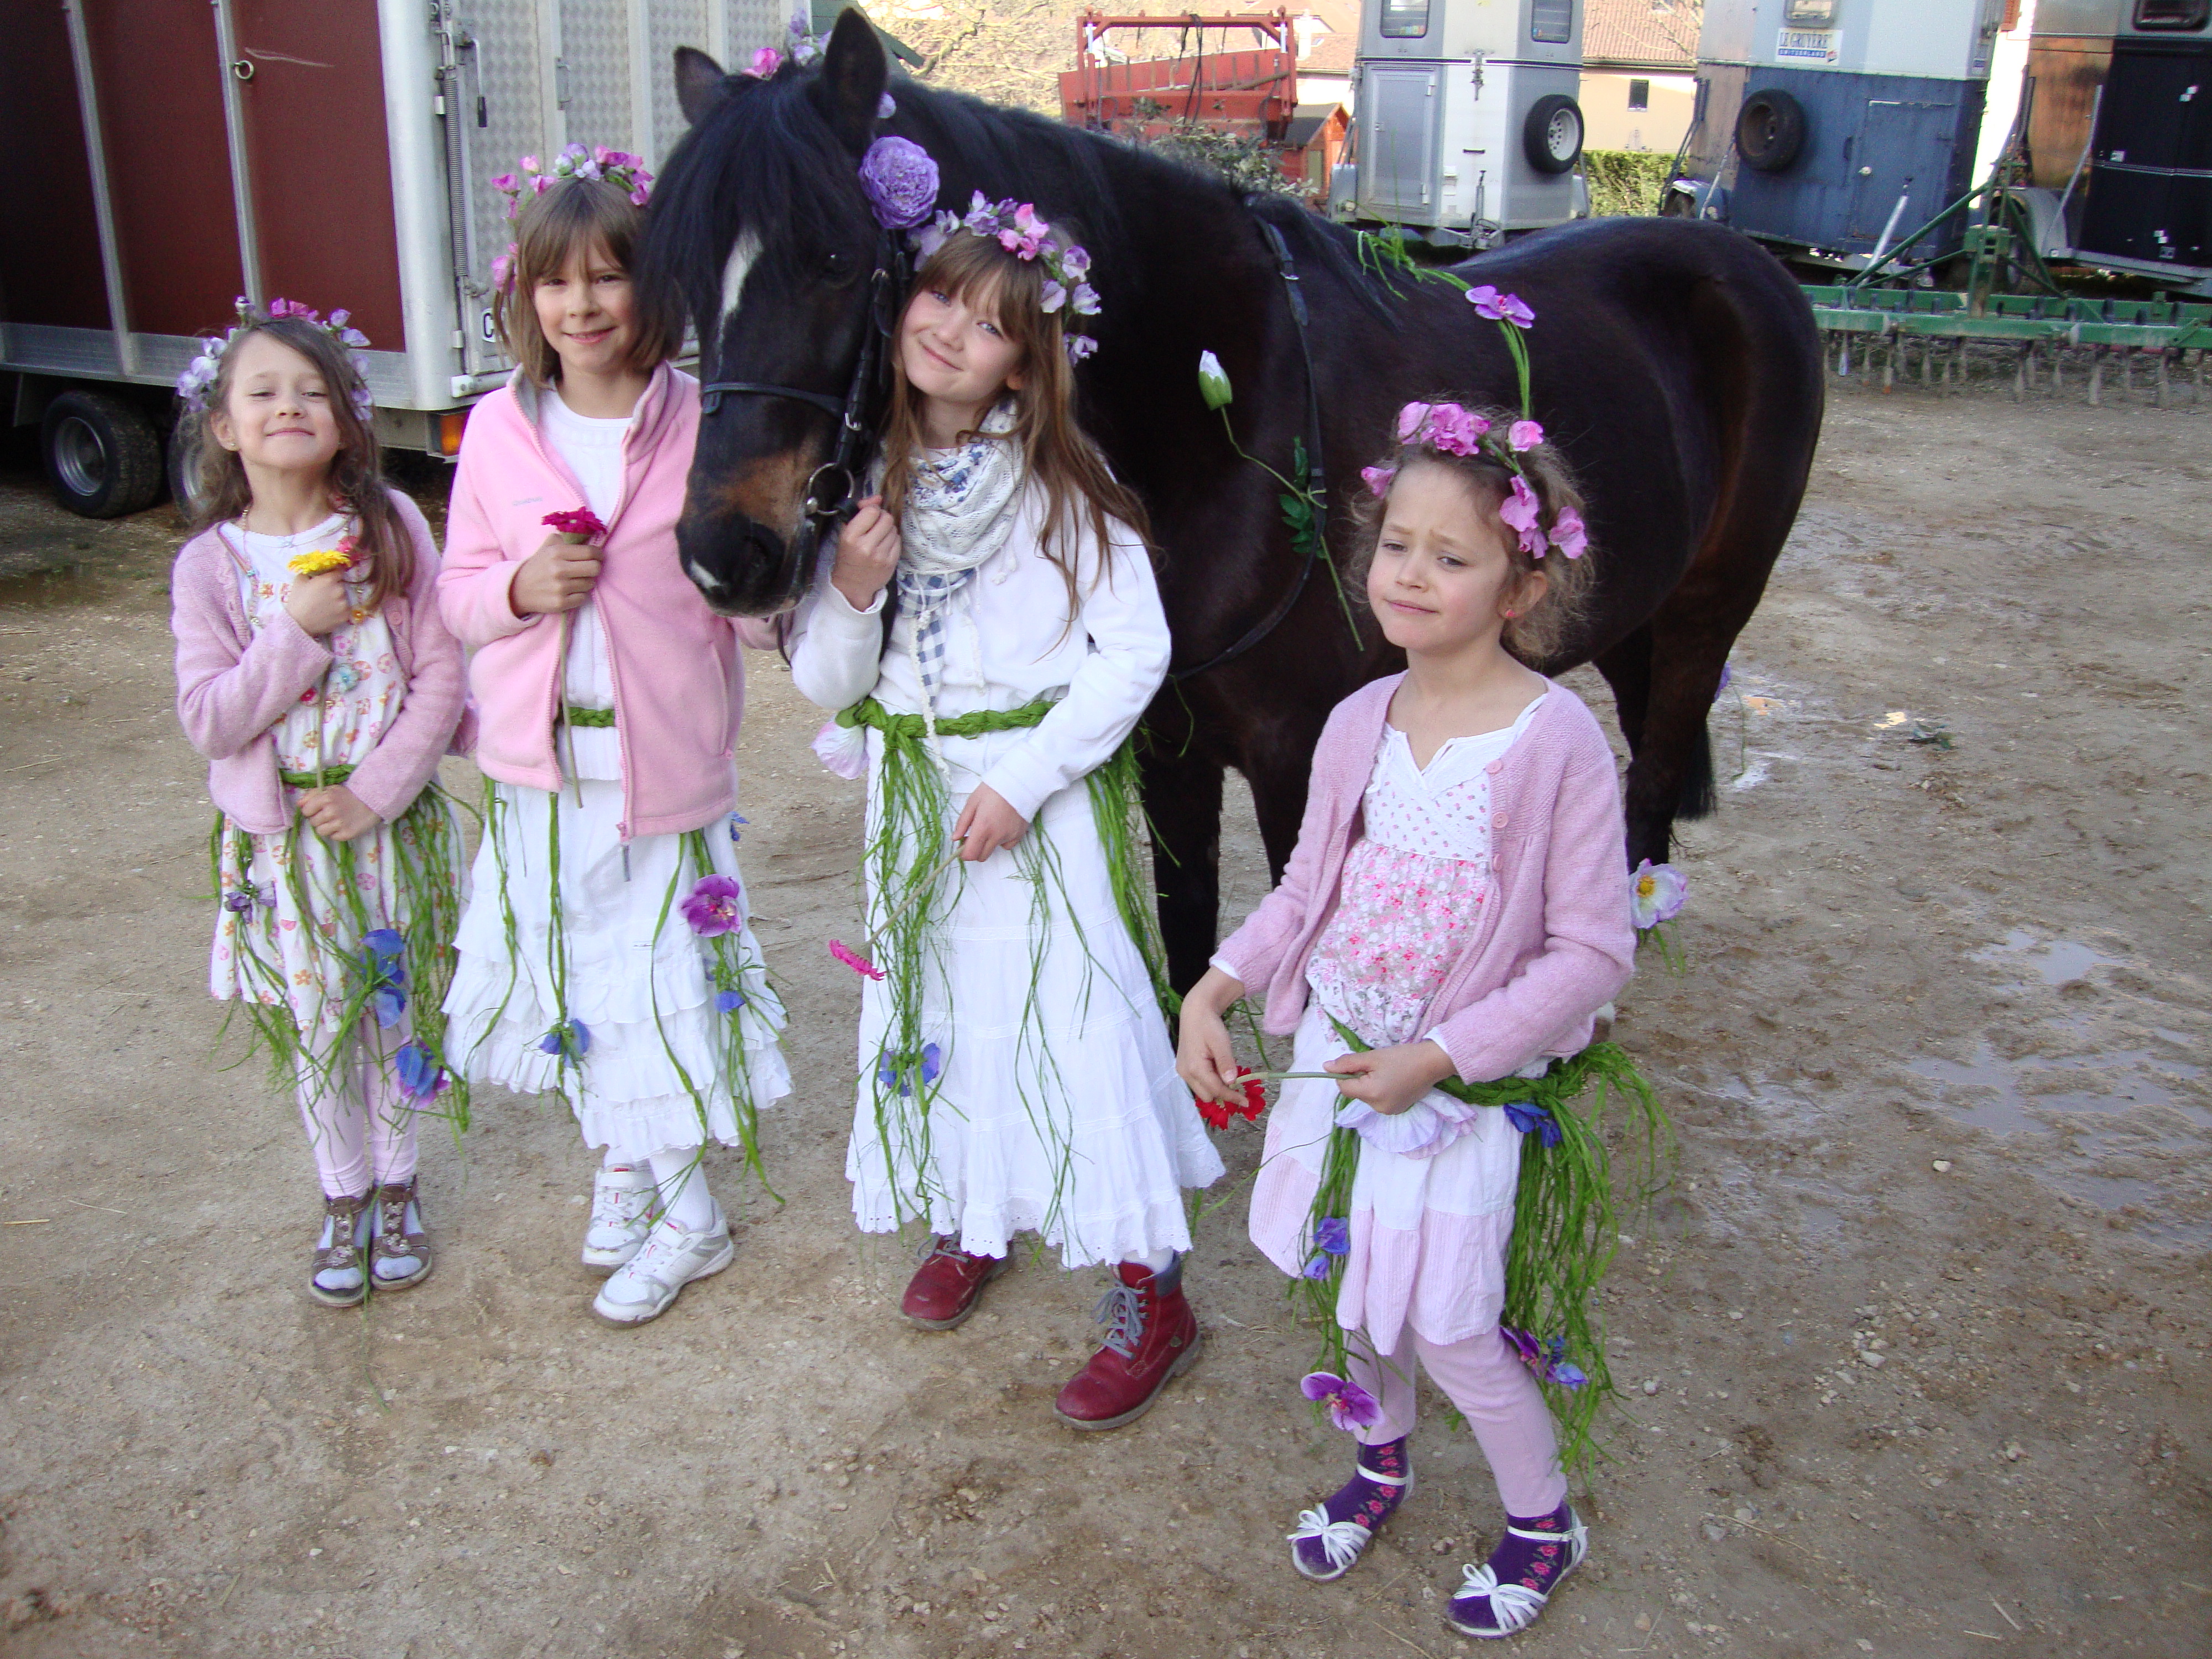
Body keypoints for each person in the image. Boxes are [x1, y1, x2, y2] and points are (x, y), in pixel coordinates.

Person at [1177, 395, 1634, 1638]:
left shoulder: (1553, 745)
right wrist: (1213, 985)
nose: (1411, 574)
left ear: (1521, 583)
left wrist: (1441, 1055)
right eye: (1395, 545)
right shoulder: (1352, 723)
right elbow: (1303, 894)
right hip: (1341, 1061)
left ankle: (1542, 1515)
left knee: (1448, 1318)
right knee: (1353, 1292)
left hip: (1453, 1085)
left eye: (1453, 555)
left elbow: (1593, 950)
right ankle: (1379, 1461)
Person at [790, 195, 1221, 1429]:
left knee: (1073, 1025)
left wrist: (1025, 780)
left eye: (991, 324)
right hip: (912, 806)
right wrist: (856, 593)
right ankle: (976, 1217)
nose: (952, 332)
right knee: (941, 1014)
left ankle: (1153, 1290)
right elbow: (828, 684)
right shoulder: (859, 483)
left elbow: (1130, 652)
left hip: (1034, 808)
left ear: (1026, 364)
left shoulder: (1062, 491)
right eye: (940, 298)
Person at [439, 146, 790, 1328]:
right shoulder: (494, 431)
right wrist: (519, 590)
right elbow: (455, 594)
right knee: (581, 976)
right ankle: (628, 1162)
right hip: (542, 771)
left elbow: (747, 602)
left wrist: (799, 589)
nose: (581, 305)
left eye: (608, 277)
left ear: (658, 290)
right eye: (555, 283)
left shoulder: (700, 424)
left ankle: (693, 1221)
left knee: (659, 983)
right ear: (524, 297)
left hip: (664, 772)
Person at [172, 299, 468, 1307]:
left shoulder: (389, 531)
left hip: (385, 831)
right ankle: (339, 1194)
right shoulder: (210, 568)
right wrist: (294, 629)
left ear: (345, 419)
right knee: (318, 1022)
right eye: (262, 392)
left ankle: (398, 1186)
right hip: (284, 849)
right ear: (224, 426)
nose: (288, 406)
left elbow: (440, 678)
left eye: (312, 391)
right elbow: (211, 719)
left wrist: (378, 792)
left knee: (393, 1013)